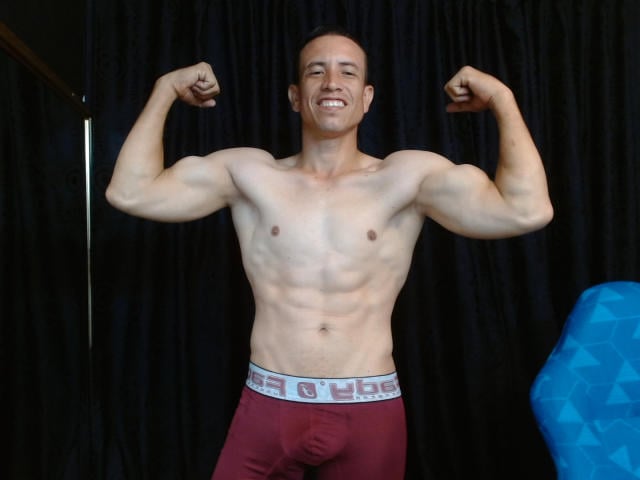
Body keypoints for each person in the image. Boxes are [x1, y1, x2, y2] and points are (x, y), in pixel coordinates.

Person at [106, 26, 553, 480]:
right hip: (270, 406)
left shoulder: (406, 178)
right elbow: (130, 193)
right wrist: (165, 90)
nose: (332, 83)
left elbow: (526, 210)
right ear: (295, 96)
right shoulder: (250, 175)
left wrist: (502, 100)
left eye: (348, 72)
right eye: (316, 72)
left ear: (367, 97)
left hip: (369, 409)